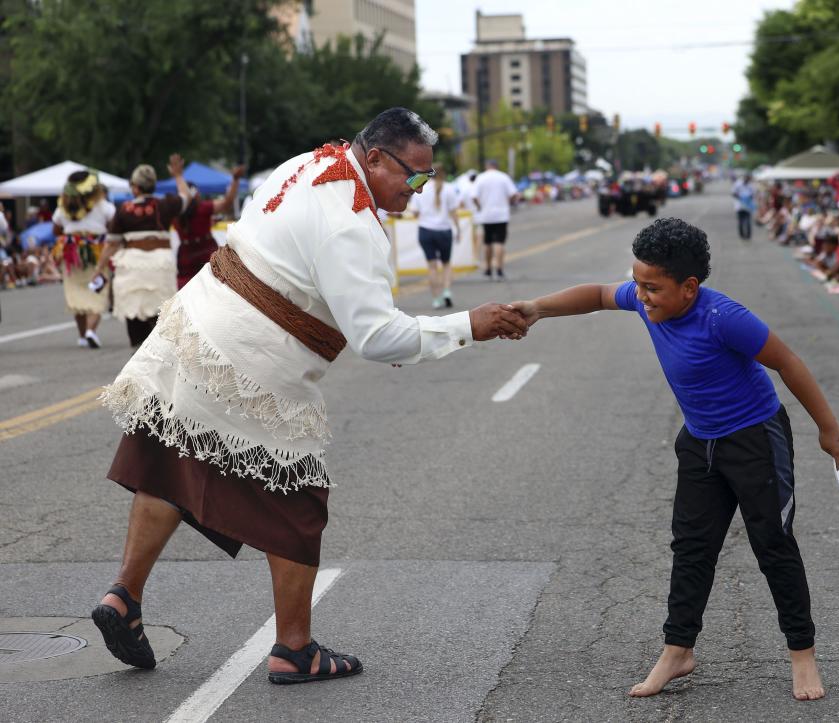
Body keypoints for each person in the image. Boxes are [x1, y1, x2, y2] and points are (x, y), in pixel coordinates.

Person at [92, 108, 528, 684]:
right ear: (374, 158)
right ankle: (294, 649)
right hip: (247, 355)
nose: (419, 191)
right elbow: (376, 337)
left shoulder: (309, 162)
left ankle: (124, 596)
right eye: (413, 177)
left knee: (168, 463)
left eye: (428, 179)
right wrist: (471, 323)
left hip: (194, 325)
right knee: (298, 501)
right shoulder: (354, 224)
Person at [509, 217, 839, 701]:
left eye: (652, 288)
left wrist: (828, 427)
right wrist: (538, 308)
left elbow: (788, 362)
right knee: (691, 547)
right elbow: (599, 295)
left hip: (755, 439)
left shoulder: (722, 317)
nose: (641, 296)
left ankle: (802, 654)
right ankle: (678, 650)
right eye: (639, 284)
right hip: (700, 441)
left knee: (772, 543)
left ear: (689, 288)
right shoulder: (646, 301)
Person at [91, 155, 188, 346]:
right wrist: (178, 175)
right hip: (160, 265)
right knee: (161, 316)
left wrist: (98, 269)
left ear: (135, 186)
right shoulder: (165, 204)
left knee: (135, 316)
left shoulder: (124, 210)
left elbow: (111, 245)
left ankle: (139, 356)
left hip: (133, 267)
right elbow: (186, 196)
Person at [51, 170, 116, 348]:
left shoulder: (62, 207)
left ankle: (82, 336)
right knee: (97, 291)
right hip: (97, 253)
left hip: (72, 254)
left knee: (76, 293)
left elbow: (55, 230)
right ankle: (90, 331)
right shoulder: (103, 205)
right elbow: (113, 226)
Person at [173, 165, 244, 289]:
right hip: (205, 252)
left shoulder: (176, 212)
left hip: (188, 255)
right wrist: (235, 180)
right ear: (195, 195)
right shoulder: (202, 208)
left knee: (187, 292)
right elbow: (227, 203)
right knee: (212, 289)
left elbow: (226, 203)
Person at [408, 163, 461, 308]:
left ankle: (436, 299)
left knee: (432, 267)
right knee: (446, 264)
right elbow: (454, 213)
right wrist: (458, 229)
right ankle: (447, 292)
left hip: (426, 230)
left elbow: (415, 213)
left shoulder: (421, 187)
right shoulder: (449, 188)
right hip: (444, 230)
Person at [472, 159, 519, 280]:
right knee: (499, 242)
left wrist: (480, 207)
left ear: (487, 166)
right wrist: (509, 202)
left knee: (487, 242)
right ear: (496, 166)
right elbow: (514, 194)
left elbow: (474, 196)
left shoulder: (480, 178)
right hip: (501, 214)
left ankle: (488, 268)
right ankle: (499, 269)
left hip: (486, 215)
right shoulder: (504, 177)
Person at [732, 174, 755, 240]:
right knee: (740, 221)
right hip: (739, 206)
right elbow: (733, 193)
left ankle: (748, 235)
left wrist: (747, 198)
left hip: (748, 206)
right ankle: (742, 235)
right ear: (744, 178)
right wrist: (740, 197)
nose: (747, 180)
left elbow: (753, 194)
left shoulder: (751, 185)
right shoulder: (737, 184)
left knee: (748, 221)